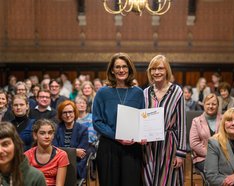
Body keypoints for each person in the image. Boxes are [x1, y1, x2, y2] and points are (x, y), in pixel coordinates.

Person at [93, 52, 145, 186]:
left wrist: (144, 135)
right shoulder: (102, 93)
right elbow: (97, 122)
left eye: (124, 66)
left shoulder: (138, 93)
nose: (121, 70)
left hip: (132, 147)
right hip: (109, 147)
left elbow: (143, 120)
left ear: (129, 69)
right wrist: (117, 136)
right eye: (117, 67)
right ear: (112, 70)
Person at [143, 54, 186, 186]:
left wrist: (180, 153)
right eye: (153, 69)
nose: (157, 72)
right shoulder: (145, 92)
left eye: (160, 68)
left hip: (169, 145)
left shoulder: (177, 91)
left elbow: (182, 124)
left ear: (166, 70)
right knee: (148, 181)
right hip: (149, 148)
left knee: (168, 181)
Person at [25, 119, 69, 186]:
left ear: (53, 135)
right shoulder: (27, 155)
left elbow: (59, 184)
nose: (47, 136)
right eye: (42, 133)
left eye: (50, 133)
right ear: (35, 135)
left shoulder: (61, 155)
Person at [53, 100, 88, 180]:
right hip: (58, 163)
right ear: (61, 115)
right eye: (64, 112)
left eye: (70, 112)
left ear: (75, 113)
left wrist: (63, 151)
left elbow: (81, 153)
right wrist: (74, 152)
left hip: (76, 164)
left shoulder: (83, 129)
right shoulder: (56, 129)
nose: (68, 115)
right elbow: (54, 150)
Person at [190, 93, 222, 172]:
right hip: (202, 158)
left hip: (223, 157)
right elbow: (194, 143)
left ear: (218, 105)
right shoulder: (196, 121)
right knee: (213, 169)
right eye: (208, 104)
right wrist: (212, 155)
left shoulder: (225, 119)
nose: (211, 106)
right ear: (204, 105)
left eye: (214, 104)